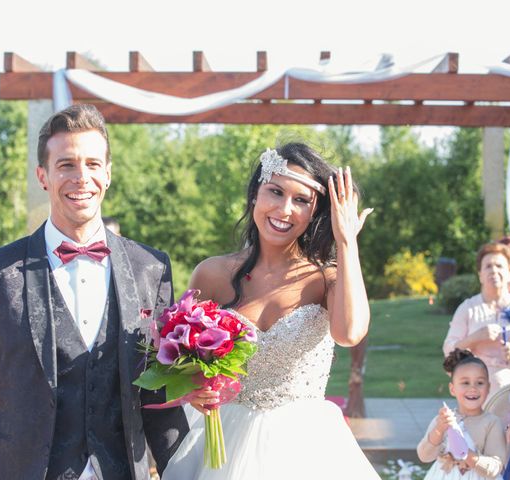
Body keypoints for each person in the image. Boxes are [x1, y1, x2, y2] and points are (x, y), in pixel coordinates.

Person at [0, 104, 189, 480]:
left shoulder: (150, 268)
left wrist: (185, 471)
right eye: (66, 165)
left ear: (108, 174)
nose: (81, 178)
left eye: (93, 164)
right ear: (43, 175)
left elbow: (158, 396)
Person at [162, 143, 378, 479]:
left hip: (306, 447)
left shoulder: (328, 278)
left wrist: (346, 240)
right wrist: (194, 390)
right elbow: (181, 366)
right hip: (223, 446)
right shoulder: (211, 274)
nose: (285, 209)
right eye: (275, 192)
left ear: (316, 211)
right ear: (254, 196)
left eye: (302, 200)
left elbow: (350, 333)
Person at [417, 348, 506, 479]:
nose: (473, 388)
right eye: (465, 383)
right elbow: (424, 456)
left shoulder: (491, 422)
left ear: (488, 387)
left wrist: (467, 454)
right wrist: (439, 430)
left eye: (480, 383)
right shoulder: (443, 420)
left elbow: (495, 467)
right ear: (452, 389)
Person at [443, 242, 510, 400]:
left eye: (499, 266)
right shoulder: (467, 308)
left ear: (509, 272)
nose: (494, 270)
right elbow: (448, 353)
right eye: (488, 266)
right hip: (477, 400)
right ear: (480, 274)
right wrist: (476, 337)